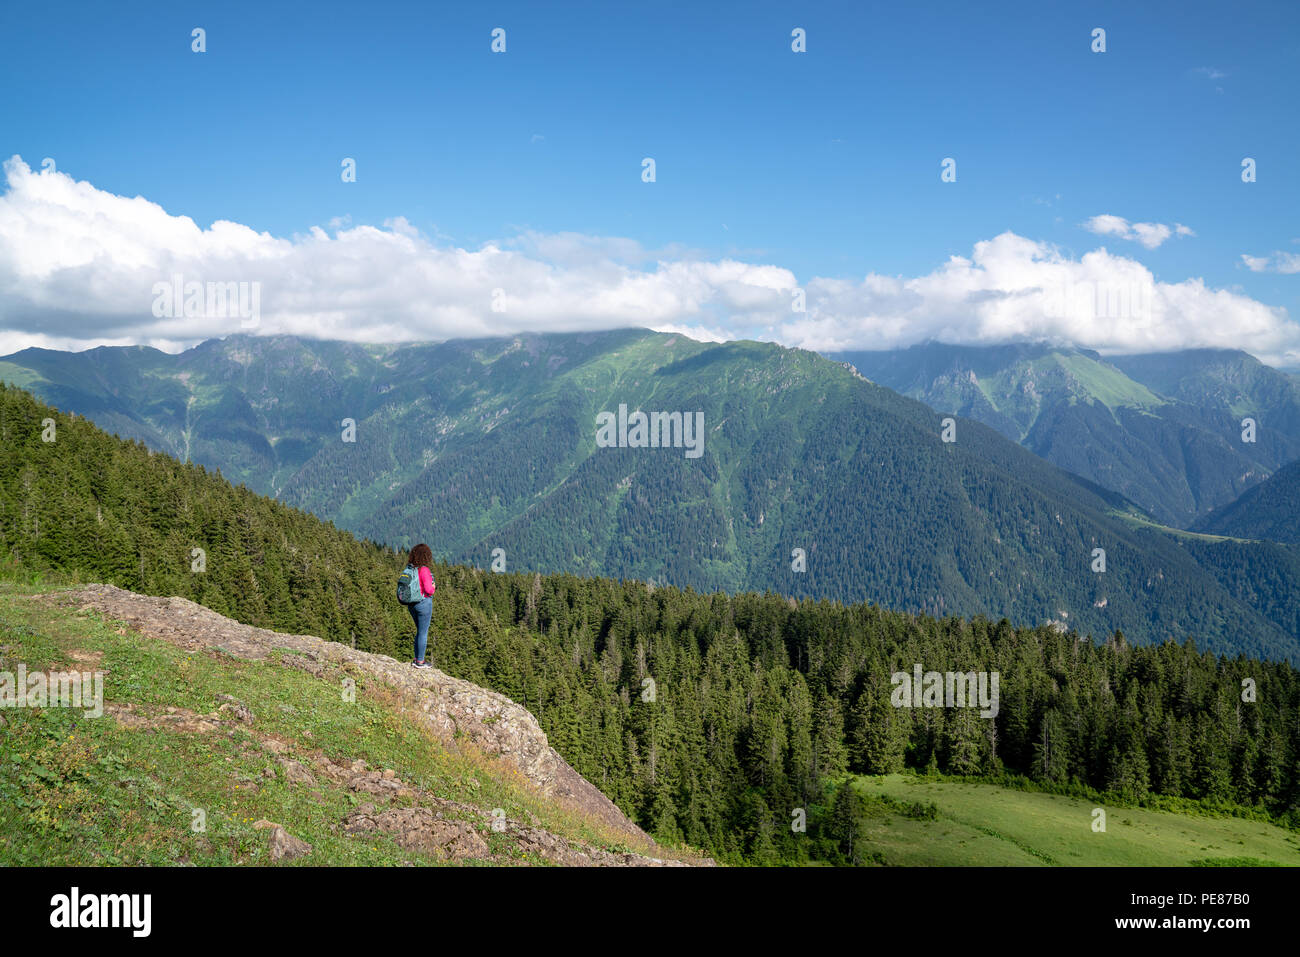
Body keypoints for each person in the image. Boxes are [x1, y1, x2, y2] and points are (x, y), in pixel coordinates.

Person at [404, 543, 436, 668]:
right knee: (423, 632)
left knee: (420, 631)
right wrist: (433, 587)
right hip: (423, 604)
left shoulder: (410, 569)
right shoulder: (424, 570)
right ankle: (420, 662)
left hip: (411, 604)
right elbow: (429, 590)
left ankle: (417, 658)